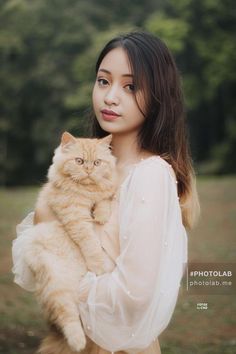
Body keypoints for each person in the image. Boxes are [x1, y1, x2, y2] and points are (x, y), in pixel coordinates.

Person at [12, 30, 200, 354]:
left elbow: (134, 296)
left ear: (158, 97)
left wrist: (66, 286)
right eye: (103, 81)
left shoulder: (150, 175)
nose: (110, 97)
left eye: (130, 86)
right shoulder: (86, 164)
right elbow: (33, 271)